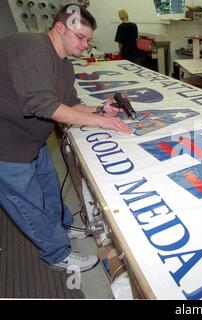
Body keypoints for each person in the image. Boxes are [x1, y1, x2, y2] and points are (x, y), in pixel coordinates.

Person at [0, 4, 133, 272]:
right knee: (29, 205)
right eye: (80, 37)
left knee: (50, 192)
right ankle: (57, 253)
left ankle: (62, 226)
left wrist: (100, 109)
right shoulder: (30, 47)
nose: (85, 45)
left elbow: (70, 103)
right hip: (7, 147)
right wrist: (101, 121)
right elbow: (43, 105)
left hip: (32, 143)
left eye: (89, 39)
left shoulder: (63, 64)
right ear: (60, 28)